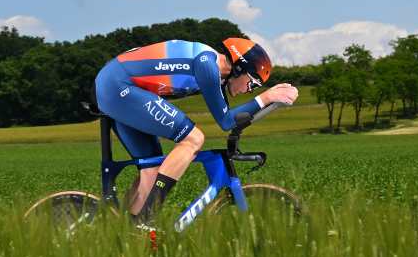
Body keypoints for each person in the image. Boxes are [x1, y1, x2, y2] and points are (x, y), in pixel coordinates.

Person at [94, 37, 299, 223]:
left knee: (151, 171)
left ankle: (125, 230)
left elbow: (233, 120)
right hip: (118, 86)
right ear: (238, 69)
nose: (249, 90)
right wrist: (266, 98)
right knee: (194, 139)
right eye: (253, 83)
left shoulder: (213, 70)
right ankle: (145, 219)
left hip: (118, 85)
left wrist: (267, 103)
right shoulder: (207, 65)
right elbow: (226, 121)